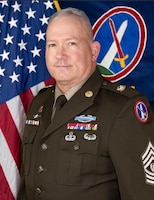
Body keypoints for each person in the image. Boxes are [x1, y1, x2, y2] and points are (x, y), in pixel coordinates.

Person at [17, 7, 154, 200]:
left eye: (71, 43)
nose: (60, 55)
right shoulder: (40, 103)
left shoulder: (122, 108)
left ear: (93, 50)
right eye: (52, 45)